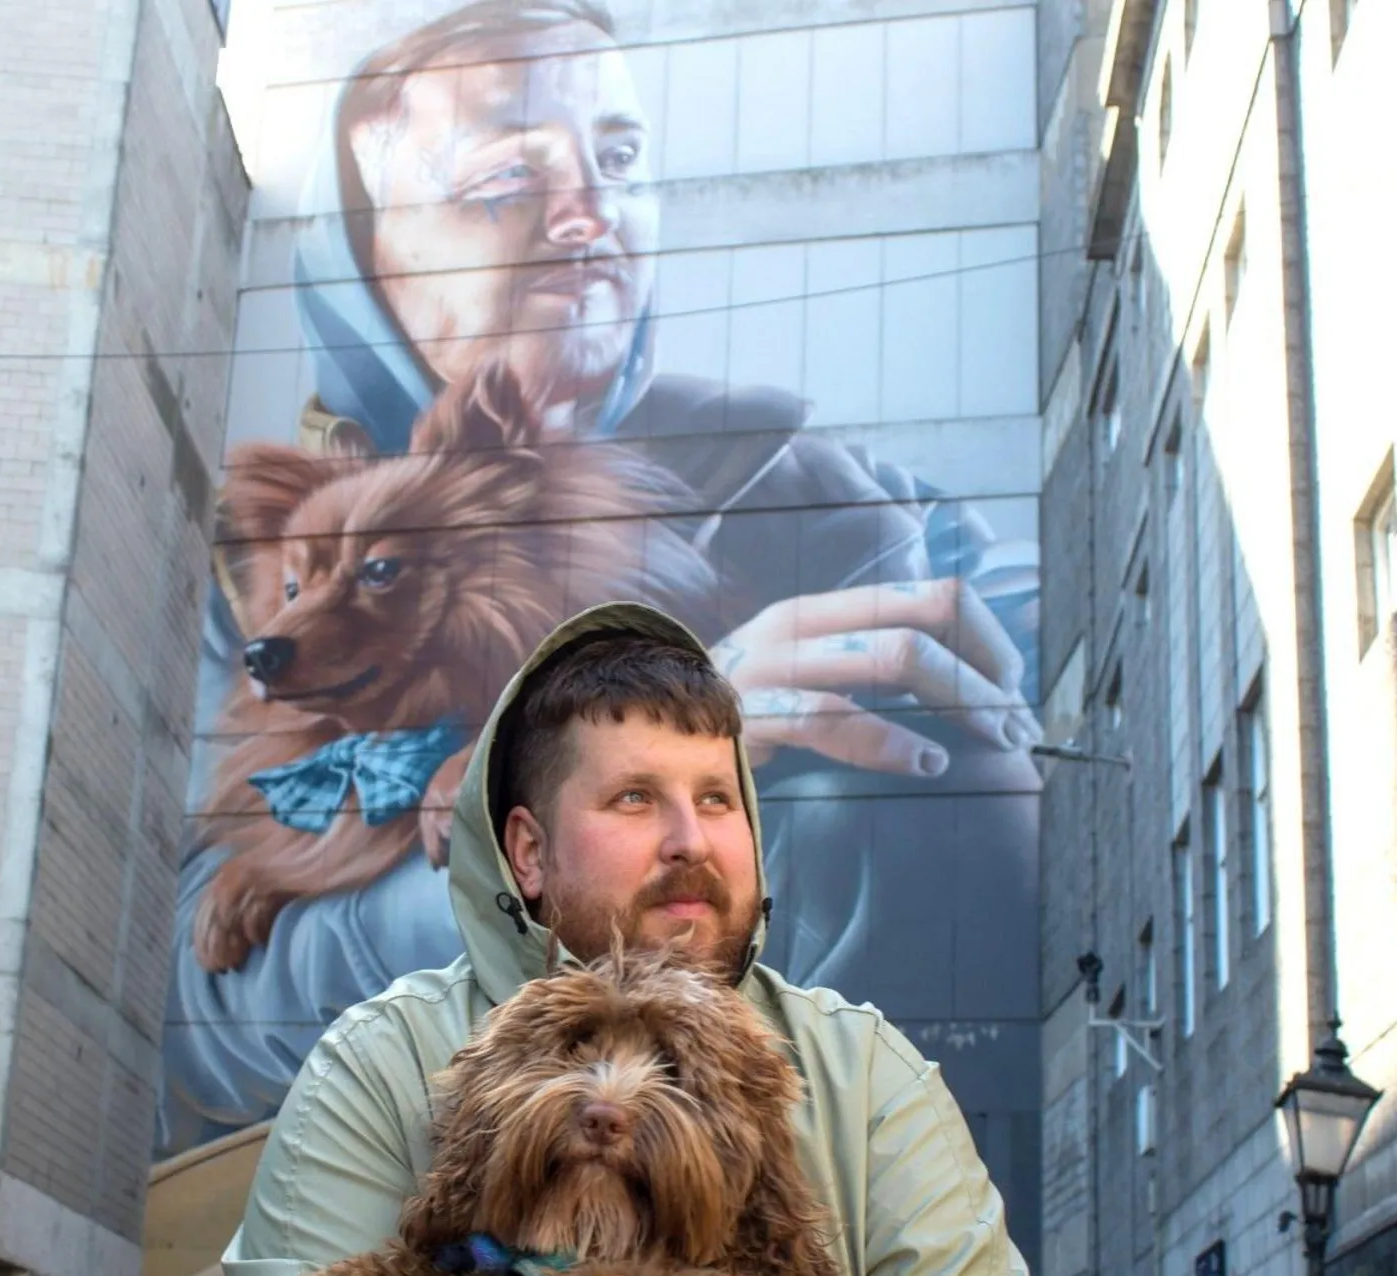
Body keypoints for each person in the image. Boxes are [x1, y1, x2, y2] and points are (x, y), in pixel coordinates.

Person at [160, 0, 1041, 1154]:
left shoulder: (826, 480)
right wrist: (596, 811)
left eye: (617, 162)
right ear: (369, 249)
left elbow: (1046, 724)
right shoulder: (262, 577)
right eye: (506, 180)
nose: (586, 216)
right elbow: (210, 1009)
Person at [222, 602, 1044, 1276]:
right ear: (529, 852)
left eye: (718, 799)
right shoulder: (380, 1060)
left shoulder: (864, 1069)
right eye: (635, 798)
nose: (690, 839)